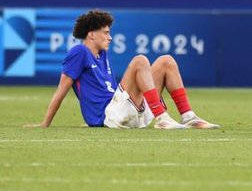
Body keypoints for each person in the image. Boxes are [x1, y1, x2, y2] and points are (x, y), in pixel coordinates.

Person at [29, 9, 219, 130]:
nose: (110, 37)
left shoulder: (102, 55)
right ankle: (162, 118)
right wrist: (46, 122)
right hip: (110, 115)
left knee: (166, 61)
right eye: (106, 32)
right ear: (91, 34)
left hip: (122, 112)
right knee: (140, 61)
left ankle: (188, 116)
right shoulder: (79, 52)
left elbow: (111, 90)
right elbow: (62, 89)